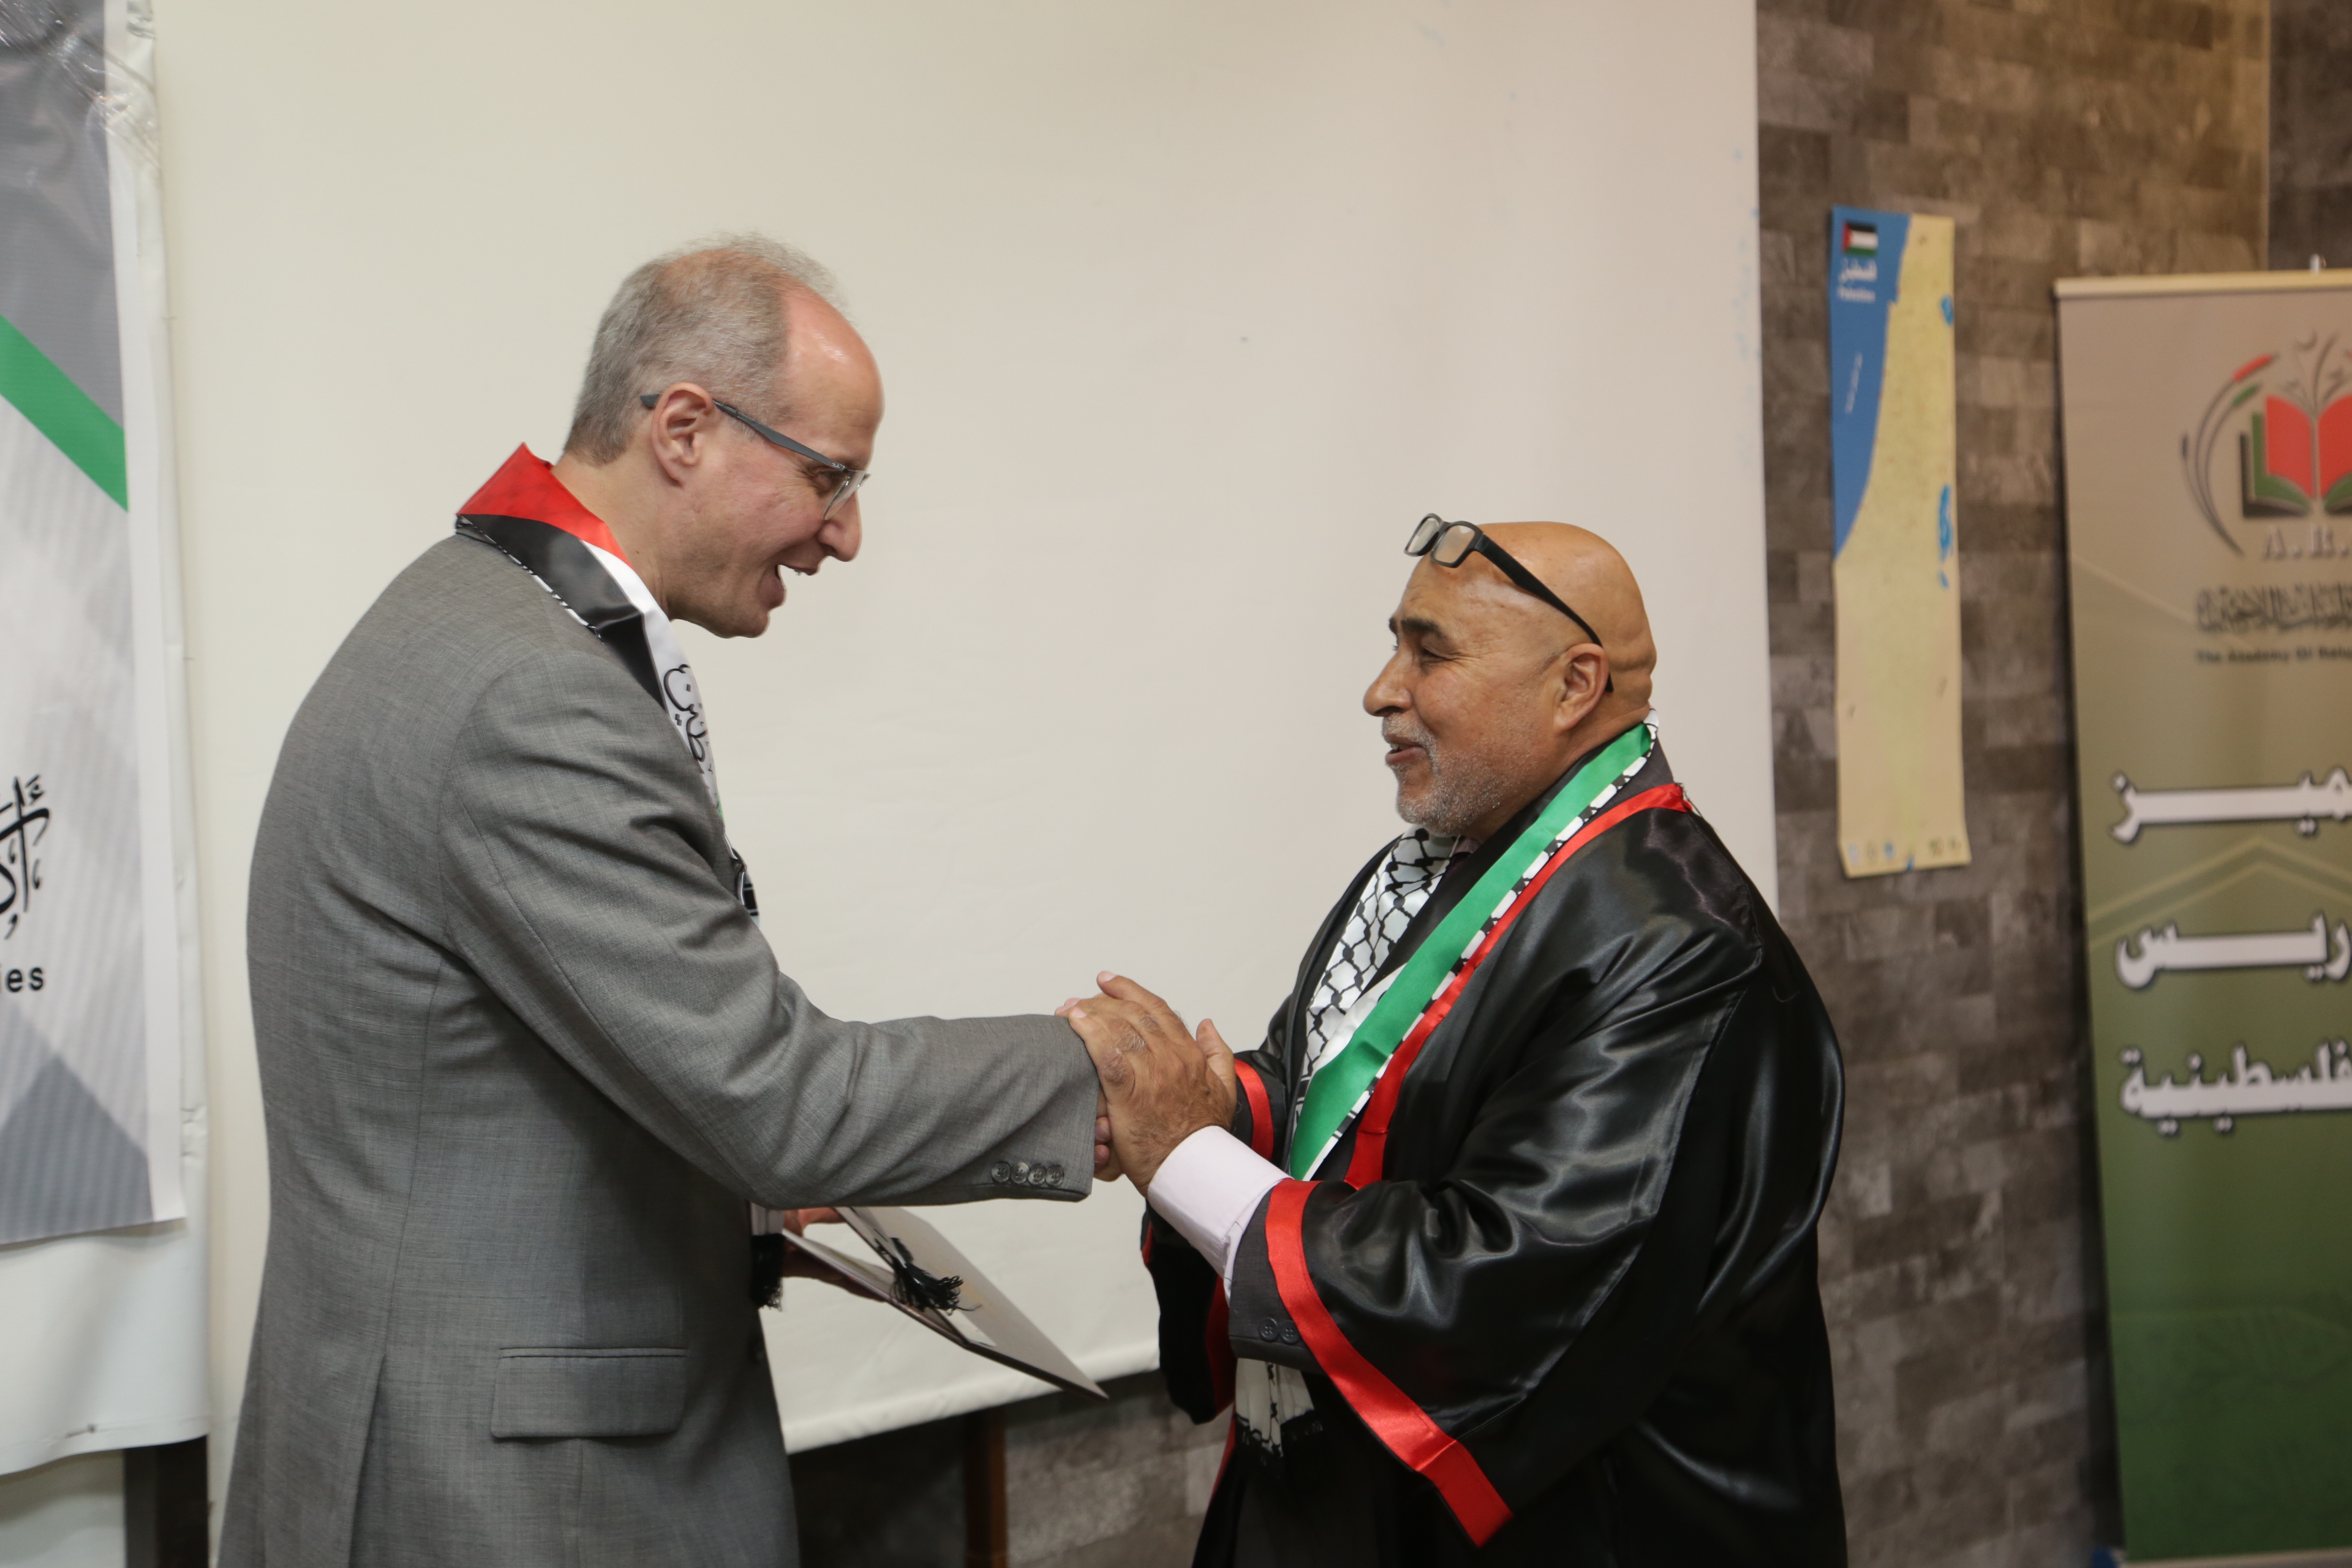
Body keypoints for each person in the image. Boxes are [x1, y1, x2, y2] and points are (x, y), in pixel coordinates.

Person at [222, 236, 1103, 1567]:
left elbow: (498, 1082)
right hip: (503, 1494)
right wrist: (1099, 1069)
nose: (847, 533)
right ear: (684, 429)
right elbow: (779, 1097)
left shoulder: (484, 617)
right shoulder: (533, 695)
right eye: (831, 476)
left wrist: (731, 1194)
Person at [1063, 518, 1847, 1565]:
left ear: (1574, 687)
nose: (1381, 690)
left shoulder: (1683, 943)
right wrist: (1210, 1107)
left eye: (1429, 654)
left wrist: (1187, 1157)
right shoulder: (1441, 864)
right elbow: (1329, 1093)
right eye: (1395, 645)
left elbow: (1503, 1278)